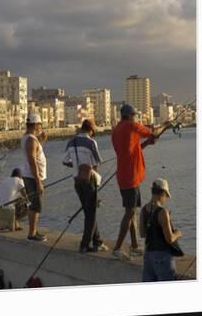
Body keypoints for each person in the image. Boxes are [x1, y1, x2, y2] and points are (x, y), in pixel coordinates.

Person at [111, 104, 172, 261]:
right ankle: (117, 248)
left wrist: (147, 144)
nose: (136, 118)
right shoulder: (132, 126)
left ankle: (134, 247)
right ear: (130, 116)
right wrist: (165, 125)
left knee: (132, 211)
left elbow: (131, 150)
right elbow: (154, 132)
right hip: (130, 177)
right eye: (135, 115)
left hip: (124, 176)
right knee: (130, 212)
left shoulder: (116, 130)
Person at [63, 119, 108, 253]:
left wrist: (75, 165)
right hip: (89, 182)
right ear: (91, 129)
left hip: (77, 181)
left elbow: (64, 161)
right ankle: (84, 244)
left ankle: (97, 241)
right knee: (91, 213)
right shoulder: (91, 142)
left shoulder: (71, 142)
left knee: (88, 212)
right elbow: (96, 164)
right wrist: (97, 183)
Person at [140, 178, 182, 281]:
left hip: (148, 256)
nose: (166, 199)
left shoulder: (144, 210)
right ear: (162, 193)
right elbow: (169, 239)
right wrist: (177, 233)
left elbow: (142, 233)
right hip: (162, 257)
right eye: (166, 196)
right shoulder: (163, 212)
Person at [21, 113, 48, 241]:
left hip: (31, 176)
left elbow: (35, 152)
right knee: (35, 206)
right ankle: (32, 233)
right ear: (36, 125)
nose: (41, 127)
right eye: (40, 125)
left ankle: (34, 231)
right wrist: (38, 182)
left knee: (34, 205)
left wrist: (41, 141)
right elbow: (32, 161)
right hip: (32, 178)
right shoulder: (31, 140)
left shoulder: (29, 138)